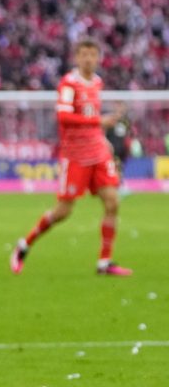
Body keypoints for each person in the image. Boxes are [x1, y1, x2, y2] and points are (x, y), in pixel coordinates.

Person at [10, 38, 132, 276]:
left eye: (92, 54)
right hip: (75, 155)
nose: (88, 59)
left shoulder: (97, 82)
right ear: (76, 58)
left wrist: (103, 139)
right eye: (84, 54)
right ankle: (24, 246)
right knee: (63, 211)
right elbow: (64, 117)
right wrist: (99, 121)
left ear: (98, 58)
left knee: (112, 201)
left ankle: (104, 262)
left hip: (97, 152)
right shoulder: (68, 84)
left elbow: (92, 118)